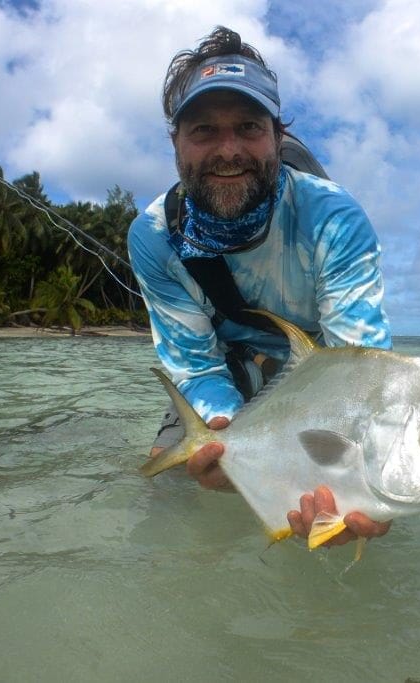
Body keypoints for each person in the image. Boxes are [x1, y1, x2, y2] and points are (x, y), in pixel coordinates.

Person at [128, 26, 393, 547]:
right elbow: (197, 365)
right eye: (204, 130)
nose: (229, 150)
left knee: (358, 514)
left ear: (276, 134)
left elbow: (357, 372)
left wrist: (364, 481)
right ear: (176, 143)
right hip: (227, 361)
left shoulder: (334, 218)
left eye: (248, 127)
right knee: (166, 482)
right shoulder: (154, 236)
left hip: (316, 375)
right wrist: (229, 444)